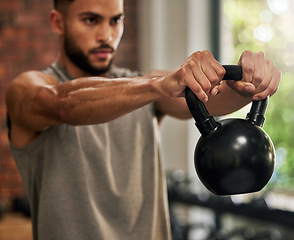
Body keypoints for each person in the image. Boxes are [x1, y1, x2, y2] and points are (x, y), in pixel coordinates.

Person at [5, 0, 281, 239]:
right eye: (91, 20)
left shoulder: (148, 89)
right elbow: (64, 103)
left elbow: (211, 100)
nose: (106, 35)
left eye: (115, 21)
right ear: (58, 22)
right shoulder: (27, 90)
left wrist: (247, 86)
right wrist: (157, 84)